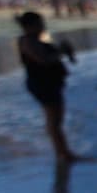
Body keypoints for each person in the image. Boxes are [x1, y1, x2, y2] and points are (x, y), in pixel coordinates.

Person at [17, 11, 79, 162]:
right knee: (54, 120)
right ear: (30, 26)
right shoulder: (27, 42)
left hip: (48, 84)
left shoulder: (35, 40)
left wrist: (63, 51)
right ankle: (62, 153)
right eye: (39, 23)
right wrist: (61, 52)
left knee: (56, 119)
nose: (42, 26)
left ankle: (63, 151)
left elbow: (51, 57)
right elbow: (42, 60)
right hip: (42, 84)